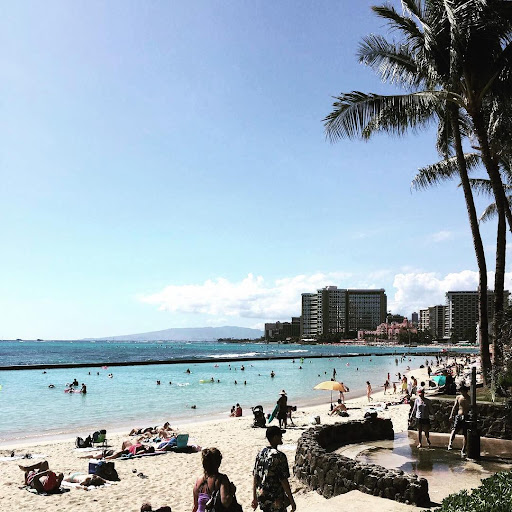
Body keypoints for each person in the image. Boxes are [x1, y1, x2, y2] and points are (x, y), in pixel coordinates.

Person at [252, 426, 296, 512]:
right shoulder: (279, 456)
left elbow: (255, 476)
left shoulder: (260, 454)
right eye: (280, 435)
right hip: (275, 498)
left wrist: (254, 497)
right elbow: (283, 480)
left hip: (262, 496)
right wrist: (291, 500)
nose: (281, 437)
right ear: (275, 437)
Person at [192, 447, 236, 512]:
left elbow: (195, 506)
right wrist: (232, 491)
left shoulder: (199, 480)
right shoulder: (221, 479)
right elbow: (225, 502)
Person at [448, 384, 471, 455]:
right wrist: (451, 415)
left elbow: (472, 407)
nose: (461, 392)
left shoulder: (469, 398)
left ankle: (463, 449)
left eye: (462, 390)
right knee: (454, 429)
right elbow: (455, 407)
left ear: (465, 391)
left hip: (466, 416)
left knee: (465, 433)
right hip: (459, 415)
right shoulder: (458, 397)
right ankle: (450, 444)